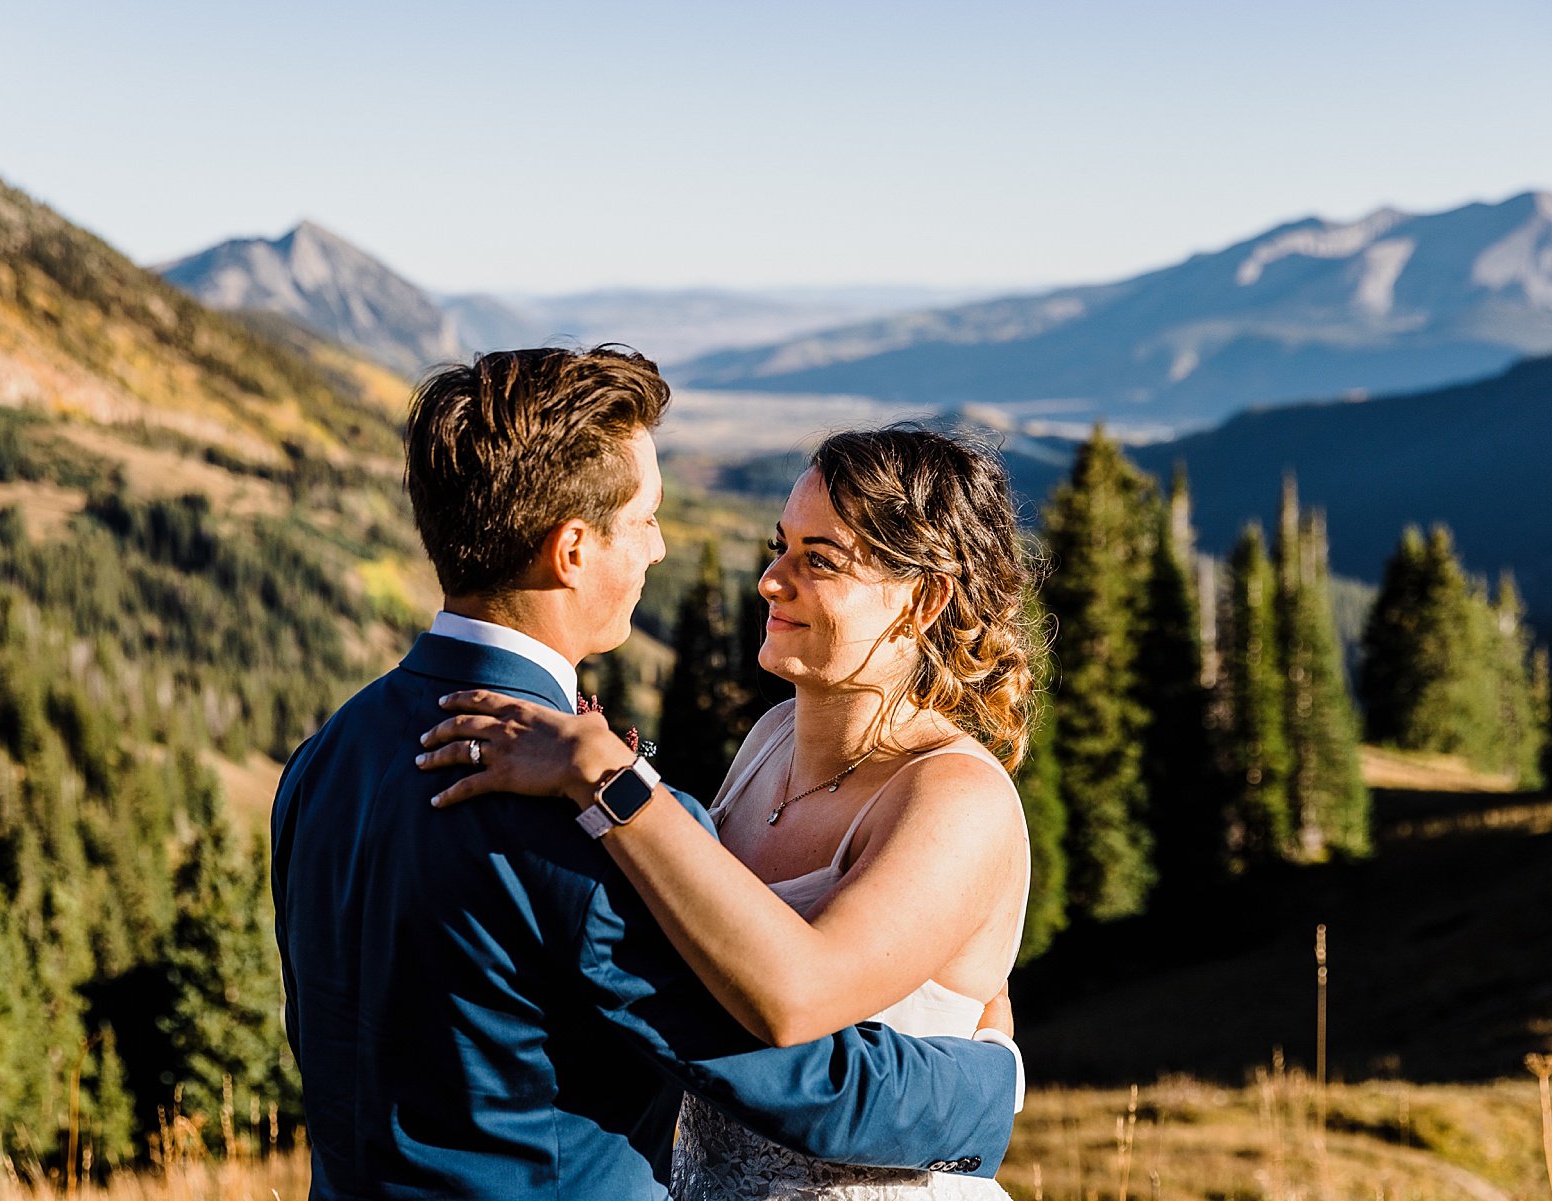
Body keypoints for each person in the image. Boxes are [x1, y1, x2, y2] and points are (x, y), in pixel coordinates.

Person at [270, 349, 1023, 1201]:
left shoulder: (328, 755)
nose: (662, 548)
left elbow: (324, 1026)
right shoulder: (580, 818)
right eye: (646, 519)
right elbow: (797, 1070)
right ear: (574, 550)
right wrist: (991, 1087)